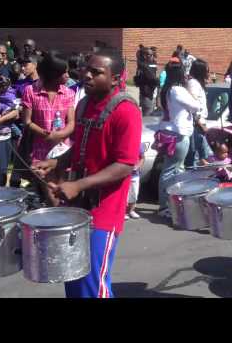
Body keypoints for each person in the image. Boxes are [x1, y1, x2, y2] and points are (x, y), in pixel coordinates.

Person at [32, 49, 142, 298]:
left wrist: (79, 185)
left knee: (93, 283)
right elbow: (82, 148)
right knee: (72, 274)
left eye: (97, 72)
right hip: (77, 206)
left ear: (115, 78)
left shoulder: (126, 111)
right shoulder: (83, 105)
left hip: (104, 210)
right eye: (86, 69)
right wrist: (56, 163)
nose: (87, 75)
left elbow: (125, 164)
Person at [22, 51, 75, 206]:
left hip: (64, 151)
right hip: (41, 152)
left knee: (63, 191)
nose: (67, 75)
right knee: (52, 195)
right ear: (52, 74)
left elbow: (71, 122)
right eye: (63, 72)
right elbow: (27, 121)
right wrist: (45, 134)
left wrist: (59, 135)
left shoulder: (68, 93)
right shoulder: (31, 91)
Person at [156, 58, 201, 218]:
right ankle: (165, 206)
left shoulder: (167, 89)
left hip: (169, 132)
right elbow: (197, 106)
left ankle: (168, 204)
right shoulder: (178, 90)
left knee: (171, 169)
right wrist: (192, 92)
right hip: (179, 133)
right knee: (172, 170)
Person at [185, 58, 210, 167]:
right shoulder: (193, 84)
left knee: (203, 156)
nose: (208, 73)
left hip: (200, 124)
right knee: (194, 157)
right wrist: (200, 124)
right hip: (196, 125)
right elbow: (192, 106)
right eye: (207, 70)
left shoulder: (197, 84)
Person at [134, 47, 159, 116]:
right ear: (145, 56)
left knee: (147, 113)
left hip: (145, 93)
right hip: (148, 94)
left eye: (153, 54)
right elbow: (153, 79)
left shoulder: (142, 65)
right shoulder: (146, 66)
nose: (152, 56)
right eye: (151, 55)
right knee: (148, 116)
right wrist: (158, 82)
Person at [126, 143, 146, 220]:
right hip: (124, 174)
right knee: (125, 195)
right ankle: (123, 212)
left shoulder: (139, 144)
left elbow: (142, 158)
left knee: (134, 194)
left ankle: (131, 210)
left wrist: (137, 166)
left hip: (135, 175)